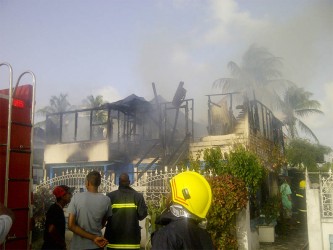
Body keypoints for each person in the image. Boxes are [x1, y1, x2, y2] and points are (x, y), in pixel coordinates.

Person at [151, 171, 214, 250]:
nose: (167, 195)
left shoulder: (166, 235)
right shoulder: (204, 236)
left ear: (181, 197)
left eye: (171, 192)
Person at [67, 170, 112, 250]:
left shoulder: (76, 198)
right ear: (99, 183)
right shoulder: (106, 200)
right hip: (97, 246)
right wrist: (94, 237)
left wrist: (93, 238)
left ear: (87, 183)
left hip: (78, 246)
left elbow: (71, 225)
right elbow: (102, 224)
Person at [104, 173, 148, 250]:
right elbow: (142, 215)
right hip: (132, 242)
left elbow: (105, 216)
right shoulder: (138, 196)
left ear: (119, 182)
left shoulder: (110, 196)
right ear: (129, 182)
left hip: (113, 242)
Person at [42, 185, 73, 250]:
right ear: (62, 196)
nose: (71, 195)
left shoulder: (57, 208)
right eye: (69, 193)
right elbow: (51, 229)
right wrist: (61, 242)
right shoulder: (55, 209)